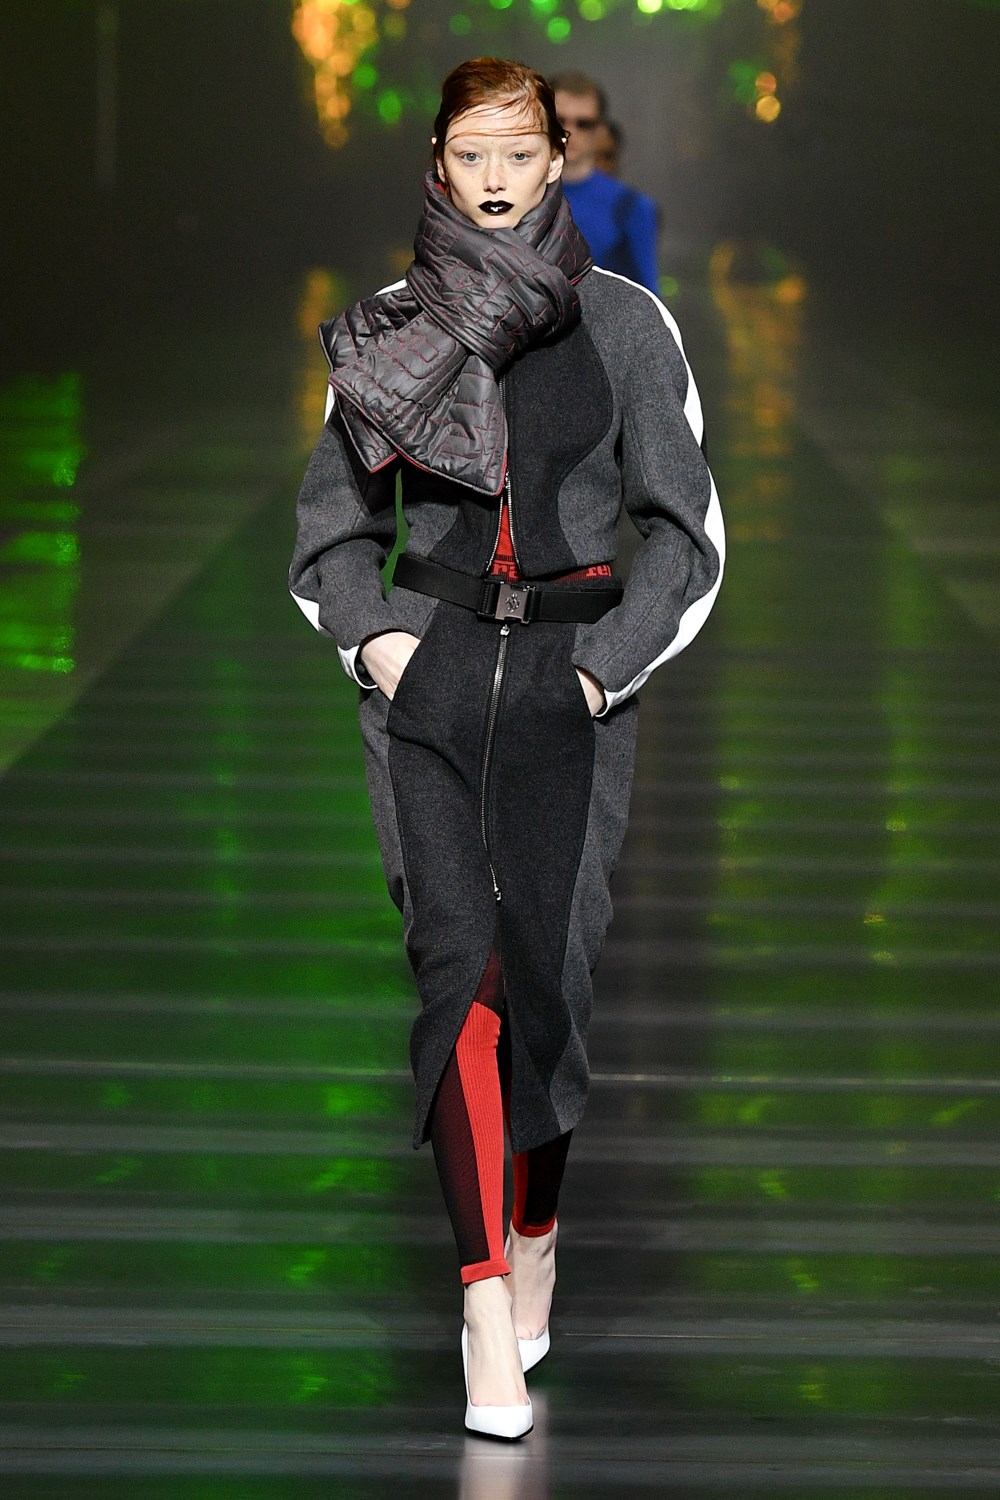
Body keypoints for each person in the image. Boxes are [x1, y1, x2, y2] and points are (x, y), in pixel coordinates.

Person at [289, 56, 723, 1440]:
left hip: (569, 684)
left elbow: (686, 535)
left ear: (556, 163)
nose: (492, 179)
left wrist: (599, 671)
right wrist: (379, 647)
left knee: (548, 982)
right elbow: (330, 534)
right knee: (460, 973)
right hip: (428, 676)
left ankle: (537, 1229)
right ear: (436, 163)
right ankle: (484, 1306)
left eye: (517, 154)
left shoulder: (628, 325)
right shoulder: (390, 328)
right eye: (469, 154)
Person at [552, 71, 660, 294]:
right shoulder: (511, 194)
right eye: (560, 120)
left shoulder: (631, 208)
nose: (570, 132)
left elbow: (648, 299)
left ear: (600, 129)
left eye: (583, 124)